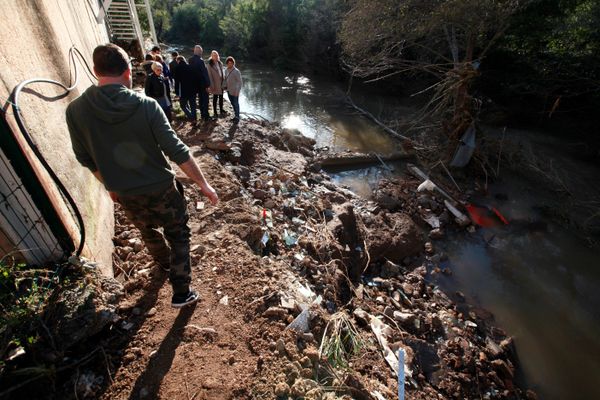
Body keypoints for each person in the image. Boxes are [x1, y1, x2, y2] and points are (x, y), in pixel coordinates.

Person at [66, 44, 218, 308]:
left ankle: (161, 261)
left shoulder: (75, 111)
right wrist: (204, 185)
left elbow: (85, 159)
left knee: (146, 229)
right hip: (161, 188)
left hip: (124, 192)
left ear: (94, 71)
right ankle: (181, 292)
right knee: (178, 233)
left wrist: (110, 184)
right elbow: (176, 150)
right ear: (127, 72)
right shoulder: (147, 106)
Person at [188, 45, 211, 122]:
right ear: (199, 52)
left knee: (195, 101)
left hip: (193, 84)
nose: (201, 53)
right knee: (204, 100)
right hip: (202, 84)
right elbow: (204, 73)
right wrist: (208, 85)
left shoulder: (190, 60)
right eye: (201, 51)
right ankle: (205, 116)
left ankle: (197, 117)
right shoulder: (201, 61)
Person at [173, 56, 198, 122]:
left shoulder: (177, 68)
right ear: (184, 60)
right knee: (193, 106)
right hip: (192, 90)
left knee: (182, 105)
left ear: (178, 61)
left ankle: (191, 117)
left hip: (183, 91)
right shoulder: (190, 67)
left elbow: (177, 82)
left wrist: (177, 92)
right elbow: (195, 79)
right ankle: (194, 119)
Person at [223, 56, 242, 123]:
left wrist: (237, 92)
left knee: (236, 104)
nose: (230, 64)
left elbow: (239, 82)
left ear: (233, 63)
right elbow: (225, 79)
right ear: (227, 63)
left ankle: (237, 117)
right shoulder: (225, 70)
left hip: (235, 91)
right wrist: (224, 87)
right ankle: (235, 116)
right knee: (233, 104)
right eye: (228, 63)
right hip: (228, 90)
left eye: (231, 63)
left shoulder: (236, 71)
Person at [207, 50, 225, 117]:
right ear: (211, 56)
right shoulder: (209, 65)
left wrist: (224, 83)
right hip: (214, 83)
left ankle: (221, 109)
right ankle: (215, 111)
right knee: (215, 98)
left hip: (221, 83)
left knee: (221, 97)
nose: (216, 56)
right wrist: (212, 85)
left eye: (217, 55)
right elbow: (209, 76)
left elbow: (222, 73)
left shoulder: (220, 63)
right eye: (214, 55)